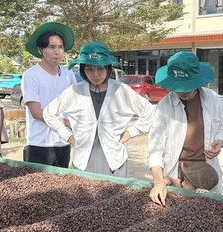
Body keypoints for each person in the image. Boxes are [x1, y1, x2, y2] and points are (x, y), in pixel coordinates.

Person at [43, 42, 154, 176]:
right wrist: (68, 137)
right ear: (83, 69)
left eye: (100, 68)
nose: (95, 74)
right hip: (83, 161)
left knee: (115, 196)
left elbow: (149, 112)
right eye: (89, 69)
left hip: (114, 160)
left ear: (108, 68)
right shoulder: (74, 91)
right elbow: (48, 114)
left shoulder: (121, 90)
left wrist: (131, 132)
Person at [148, 51, 223, 205]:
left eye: (187, 86)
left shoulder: (213, 99)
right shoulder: (164, 106)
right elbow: (155, 148)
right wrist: (159, 181)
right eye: (178, 87)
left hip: (205, 173)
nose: (183, 91)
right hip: (176, 175)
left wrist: (220, 141)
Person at [21, 22, 77, 166]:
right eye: (51, 47)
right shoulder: (31, 75)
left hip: (63, 143)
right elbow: (36, 112)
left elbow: (76, 105)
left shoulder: (68, 73)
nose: (57, 52)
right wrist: (65, 122)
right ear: (40, 50)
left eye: (60, 47)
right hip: (40, 145)